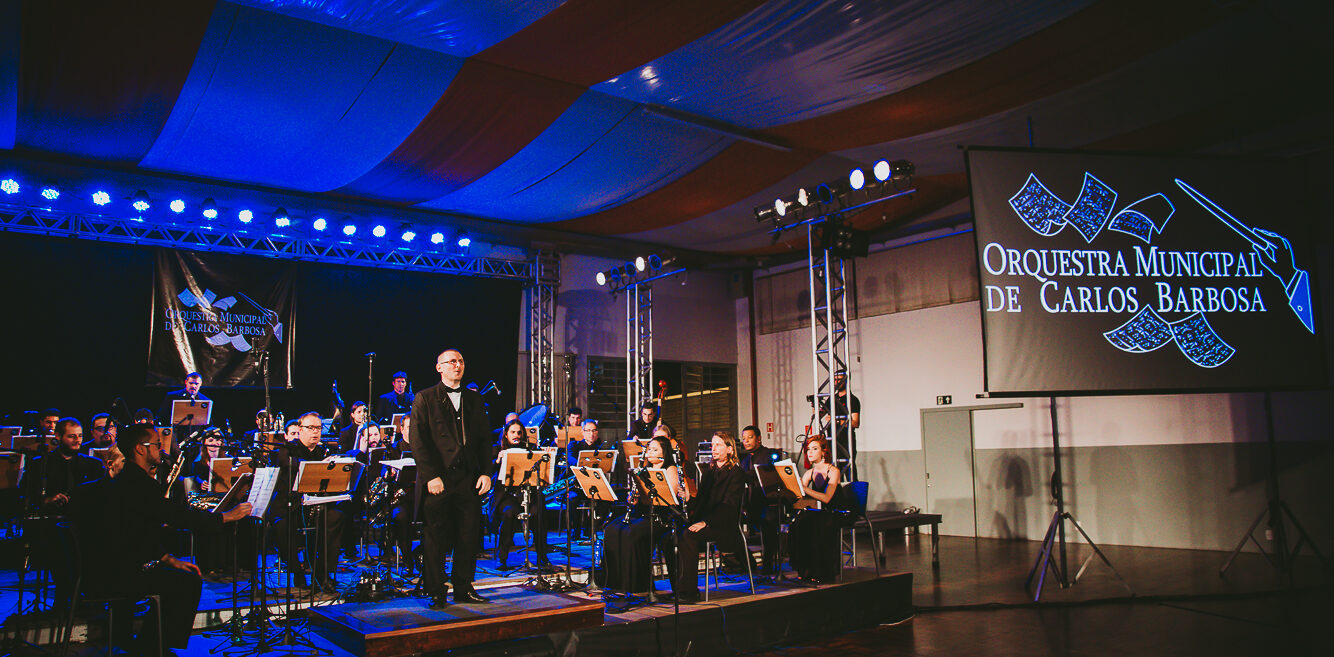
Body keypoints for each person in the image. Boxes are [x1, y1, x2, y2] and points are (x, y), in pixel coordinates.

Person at [70, 423, 251, 653]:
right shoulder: (139, 484)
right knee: (187, 583)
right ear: (140, 449)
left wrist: (168, 559)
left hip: (109, 568)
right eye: (156, 444)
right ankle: (156, 648)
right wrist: (225, 517)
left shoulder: (127, 480)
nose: (161, 450)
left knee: (180, 576)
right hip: (115, 575)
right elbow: (177, 516)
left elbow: (136, 534)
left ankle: (150, 645)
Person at [411, 348, 494, 606]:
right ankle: (436, 590)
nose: (457, 365)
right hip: (439, 479)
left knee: (468, 535)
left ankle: (463, 586)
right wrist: (431, 476)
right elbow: (419, 441)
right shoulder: (424, 398)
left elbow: (484, 440)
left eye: (460, 361)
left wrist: (486, 472)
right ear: (439, 367)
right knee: (436, 537)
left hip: (468, 478)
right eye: (451, 362)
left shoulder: (474, 399)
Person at [270, 411, 346, 591]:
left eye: (318, 428)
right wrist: (321, 467)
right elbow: (291, 464)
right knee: (282, 526)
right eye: (310, 428)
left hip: (318, 505)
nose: (315, 432)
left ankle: (322, 573)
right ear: (300, 429)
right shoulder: (287, 450)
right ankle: (297, 572)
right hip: (291, 507)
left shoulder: (323, 451)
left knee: (337, 516)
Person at [602, 436, 686, 594]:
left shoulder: (670, 468)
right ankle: (615, 582)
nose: (650, 452)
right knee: (612, 529)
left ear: (664, 452)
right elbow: (638, 500)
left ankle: (636, 585)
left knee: (631, 533)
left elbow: (670, 498)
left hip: (662, 517)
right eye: (649, 449)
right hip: (643, 513)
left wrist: (647, 495)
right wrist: (634, 498)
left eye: (655, 449)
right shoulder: (644, 469)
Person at [674, 430, 747, 603]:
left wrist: (705, 522)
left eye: (718, 445)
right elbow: (702, 502)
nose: (713, 449)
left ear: (730, 449)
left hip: (724, 525)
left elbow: (728, 506)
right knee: (676, 532)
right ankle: (681, 587)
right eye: (712, 445)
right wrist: (688, 499)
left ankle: (690, 591)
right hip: (708, 521)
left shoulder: (736, 473)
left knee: (688, 536)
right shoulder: (710, 471)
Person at [491, 420, 551, 570]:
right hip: (508, 495)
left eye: (519, 432)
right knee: (508, 513)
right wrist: (498, 460)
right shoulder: (497, 449)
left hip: (529, 493)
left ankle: (542, 556)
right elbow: (490, 473)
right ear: (506, 434)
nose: (516, 435)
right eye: (513, 432)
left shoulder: (530, 448)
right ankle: (502, 557)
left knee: (539, 513)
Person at [789, 436, 848, 583]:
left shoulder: (833, 471)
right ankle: (805, 569)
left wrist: (804, 489)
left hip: (835, 512)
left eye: (815, 449)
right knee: (799, 523)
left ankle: (823, 571)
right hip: (820, 513)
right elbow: (800, 494)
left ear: (823, 451)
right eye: (808, 449)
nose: (810, 452)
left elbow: (827, 498)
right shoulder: (809, 472)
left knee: (819, 526)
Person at [738, 424, 782, 574]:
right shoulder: (743, 460)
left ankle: (769, 564)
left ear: (758, 439)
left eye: (750, 438)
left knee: (768, 523)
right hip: (750, 504)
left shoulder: (769, 454)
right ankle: (748, 563)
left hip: (767, 503)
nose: (746, 441)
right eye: (744, 439)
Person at [815, 372, 860, 480]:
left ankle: (852, 494)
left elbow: (855, 423)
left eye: (839, 380)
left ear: (845, 381)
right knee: (834, 473)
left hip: (846, 442)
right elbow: (819, 414)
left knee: (849, 471)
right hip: (832, 441)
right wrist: (815, 405)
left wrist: (837, 419)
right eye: (835, 380)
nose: (836, 382)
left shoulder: (852, 400)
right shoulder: (832, 399)